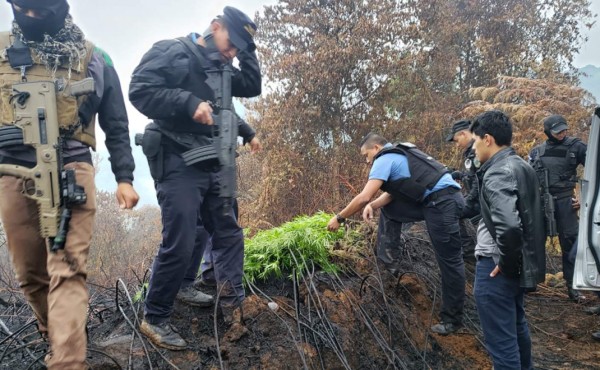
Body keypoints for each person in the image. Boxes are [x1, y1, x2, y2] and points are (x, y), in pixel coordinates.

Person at [0, 1, 139, 368]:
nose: (29, 18)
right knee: (30, 273)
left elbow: (117, 122)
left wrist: (124, 177)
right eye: (20, 9)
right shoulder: (0, 50)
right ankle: (59, 336)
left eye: (37, 10)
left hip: (71, 167)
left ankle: (67, 361)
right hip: (12, 173)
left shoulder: (97, 57)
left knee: (67, 267)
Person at [129, 6, 261, 350]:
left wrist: (248, 49)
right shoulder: (171, 51)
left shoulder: (224, 68)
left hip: (213, 159)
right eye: (231, 45)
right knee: (183, 235)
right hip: (176, 157)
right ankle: (154, 316)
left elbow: (251, 87)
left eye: (237, 52)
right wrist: (187, 102)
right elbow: (140, 90)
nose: (232, 55)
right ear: (215, 27)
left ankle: (232, 302)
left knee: (227, 229)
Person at [327, 133, 466, 335]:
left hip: (442, 204)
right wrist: (374, 206)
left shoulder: (383, 158)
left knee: (450, 261)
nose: (367, 161)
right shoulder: (401, 154)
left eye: (366, 156)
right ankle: (387, 265)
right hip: (437, 201)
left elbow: (363, 196)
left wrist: (339, 218)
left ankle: (452, 320)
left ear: (375, 148)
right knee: (391, 211)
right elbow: (395, 192)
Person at [469, 110, 545, 369]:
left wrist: (507, 263)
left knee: (502, 347)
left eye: (475, 141)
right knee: (516, 329)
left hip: (495, 267)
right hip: (515, 265)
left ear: (487, 138)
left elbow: (510, 226)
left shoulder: (497, 172)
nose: (474, 147)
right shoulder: (522, 165)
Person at [529, 114, 587, 301]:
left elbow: (594, 172)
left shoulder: (576, 146)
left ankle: (573, 286)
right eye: (557, 131)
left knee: (570, 244)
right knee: (534, 241)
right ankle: (531, 281)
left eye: (564, 129)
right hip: (541, 202)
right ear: (548, 132)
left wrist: (582, 197)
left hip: (565, 201)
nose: (562, 133)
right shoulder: (537, 152)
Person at [446, 119, 480, 263]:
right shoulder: (470, 152)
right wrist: (457, 174)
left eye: (456, 140)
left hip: (481, 201)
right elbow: (472, 175)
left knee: (452, 212)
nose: (457, 144)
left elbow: (480, 181)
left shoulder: (476, 150)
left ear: (463, 134)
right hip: (477, 198)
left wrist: (469, 200)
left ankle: (468, 254)